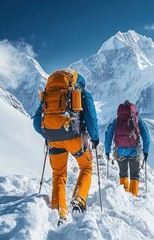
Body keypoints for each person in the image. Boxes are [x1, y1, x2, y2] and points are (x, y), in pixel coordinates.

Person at [33, 69, 99, 223]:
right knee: (86, 167)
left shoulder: (49, 94)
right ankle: (79, 199)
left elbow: (37, 123)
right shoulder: (82, 93)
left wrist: (49, 134)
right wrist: (94, 138)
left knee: (58, 174)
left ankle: (59, 212)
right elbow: (91, 118)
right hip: (74, 138)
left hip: (54, 140)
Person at [104, 100, 150, 197]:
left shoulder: (116, 121)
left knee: (123, 173)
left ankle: (125, 196)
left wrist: (107, 151)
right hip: (134, 151)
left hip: (120, 151)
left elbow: (108, 135)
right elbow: (146, 136)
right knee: (134, 174)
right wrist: (145, 151)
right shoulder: (137, 120)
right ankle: (133, 195)